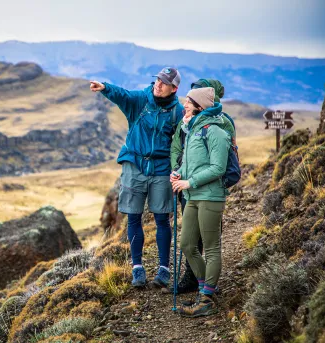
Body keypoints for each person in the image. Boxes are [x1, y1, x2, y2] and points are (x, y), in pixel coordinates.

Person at [90, 67, 184, 289]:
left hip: (162, 168)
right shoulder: (141, 100)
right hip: (135, 165)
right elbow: (123, 95)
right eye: (157, 80)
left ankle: (164, 269)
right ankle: (137, 268)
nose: (158, 85)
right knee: (133, 217)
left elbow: (182, 141)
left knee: (162, 219)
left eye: (163, 83)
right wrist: (105, 88)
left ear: (174, 88)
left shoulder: (177, 111)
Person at [170, 87, 230, 317]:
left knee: (212, 247)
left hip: (210, 196)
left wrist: (189, 182)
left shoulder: (215, 132)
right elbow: (190, 164)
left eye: (189, 101)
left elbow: (218, 168)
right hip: (193, 195)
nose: (184, 104)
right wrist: (178, 173)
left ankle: (206, 299)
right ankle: (206, 287)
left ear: (200, 106)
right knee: (187, 245)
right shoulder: (193, 130)